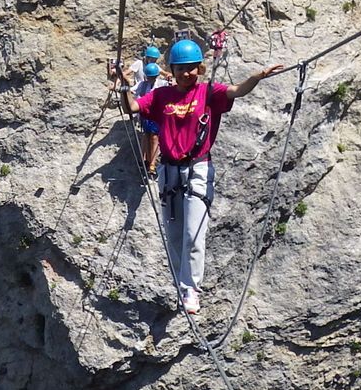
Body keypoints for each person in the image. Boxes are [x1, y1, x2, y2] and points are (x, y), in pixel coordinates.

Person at [109, 37, 285, 315]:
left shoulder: (209, 92)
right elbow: (132, 108)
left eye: (191, 68)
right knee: (174, 235)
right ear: (173, 70)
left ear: (199, 69)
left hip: (198, 168)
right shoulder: (161, 96)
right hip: (169, 170)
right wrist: (124, 86)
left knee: (193, 232)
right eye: (180, 68)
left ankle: (191, 287)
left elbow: (237, 91)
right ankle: (182, 284)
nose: (186, 73)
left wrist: (259, 76)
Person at [130, 45, 164, 174]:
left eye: (153, 77)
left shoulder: (161, 84)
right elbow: (131, 90)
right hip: (146, 114)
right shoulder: (142, 84)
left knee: (154, 137)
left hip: (156, 115)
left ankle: (152, 163)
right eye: (150, 77)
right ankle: (144, 159)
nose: (151, 79)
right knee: (146, 135)